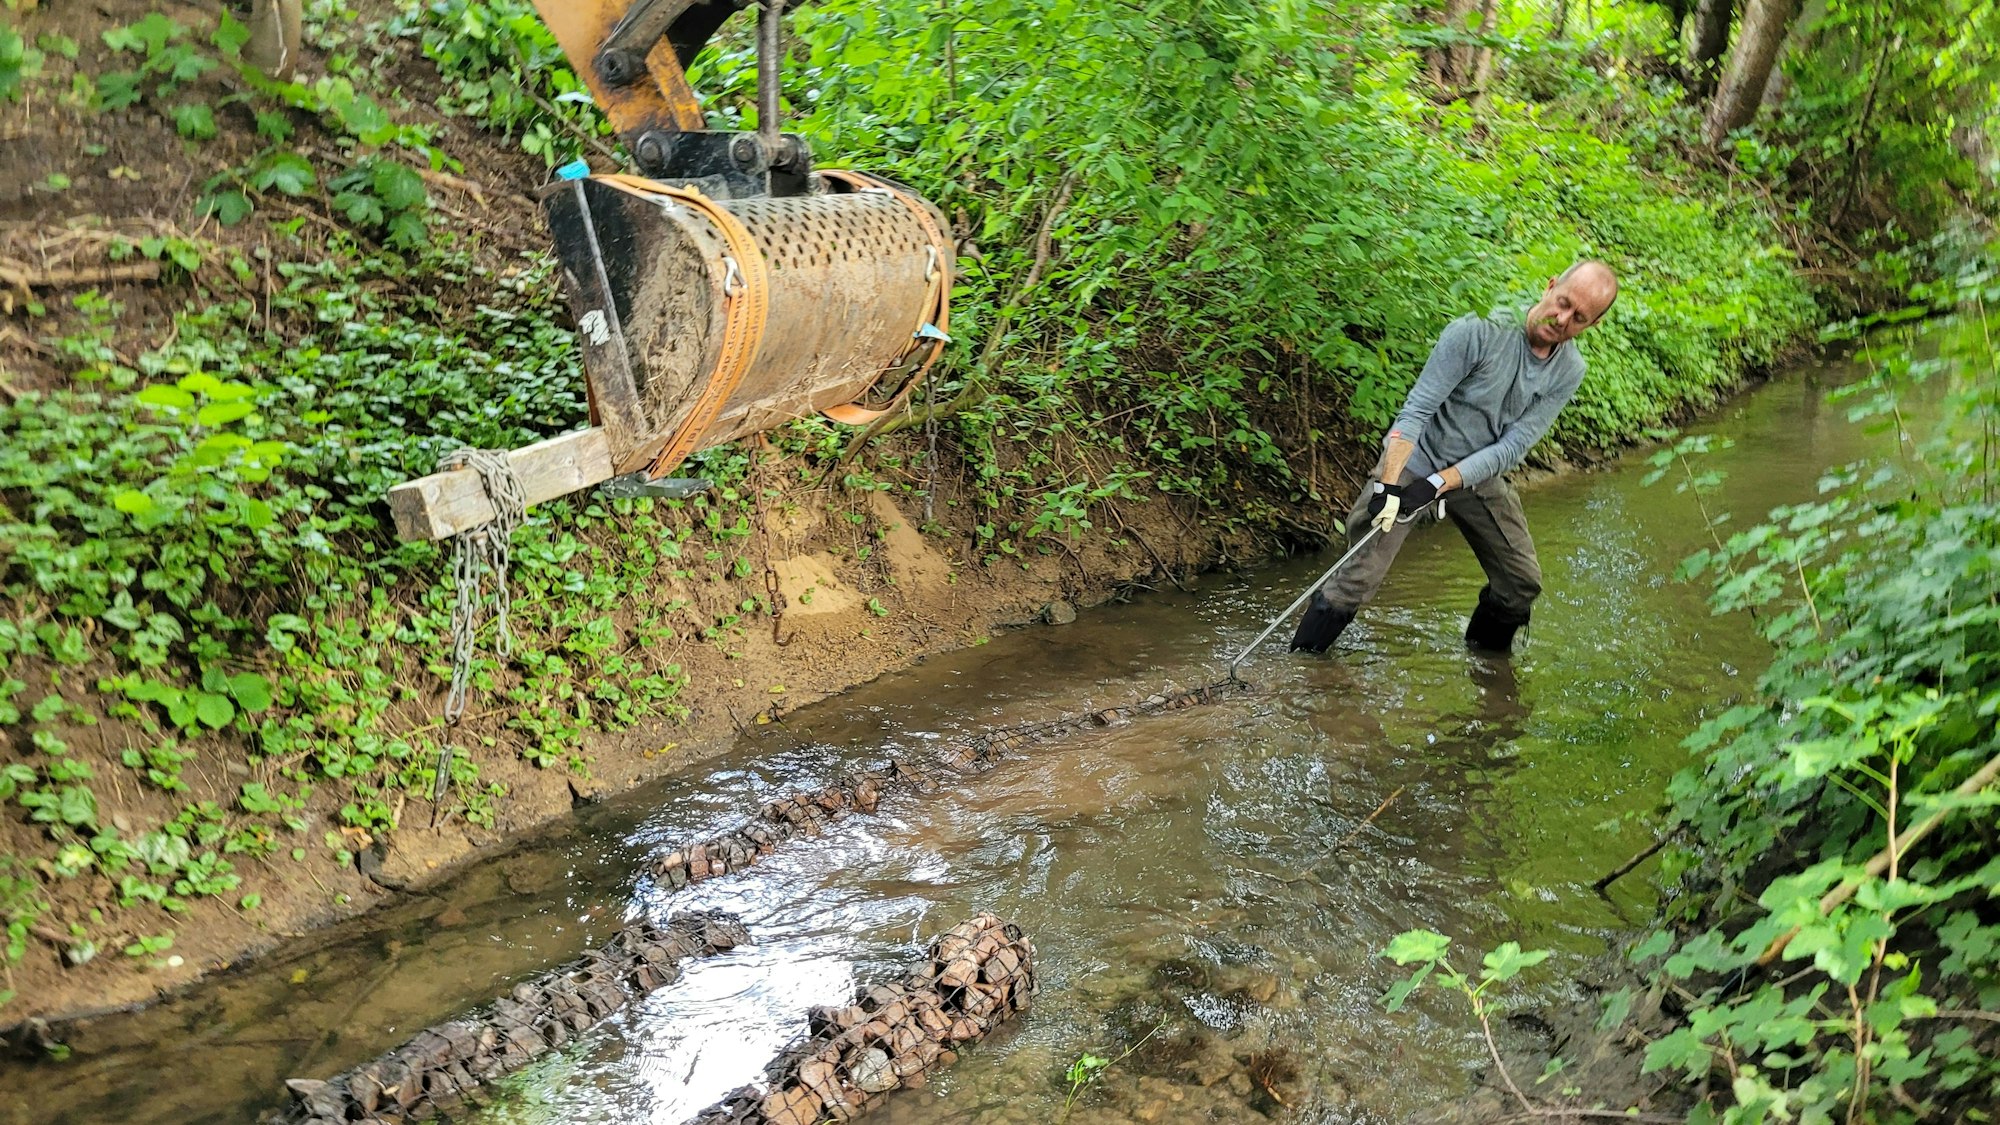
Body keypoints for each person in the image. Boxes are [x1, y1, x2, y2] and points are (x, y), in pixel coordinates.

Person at [1290, 261, 1619, 656]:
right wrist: (1389, 485)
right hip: (1414, 460)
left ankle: (1488, 666)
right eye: (1562, 303)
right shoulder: (1479, 330)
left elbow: (1513, 448)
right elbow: (1416, 411)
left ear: (1591, 325)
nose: (1562, 318)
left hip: (1476, 473)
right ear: (1550, 287)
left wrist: (1437, 486)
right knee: (1357, 578)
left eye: (1578, 317)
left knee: (1521, 582)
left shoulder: (1569, 370)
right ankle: (1302, 668)